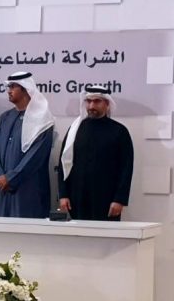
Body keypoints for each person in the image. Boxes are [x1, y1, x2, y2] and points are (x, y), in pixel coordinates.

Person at [57, 85, 134, 221]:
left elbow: (126, 169)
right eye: (89, 101)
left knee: (106, 234)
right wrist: (63, 195)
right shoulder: (75, 129)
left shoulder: (119, 131)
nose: (91, 106)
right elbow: (63, 163)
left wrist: (119, 199)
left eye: (97, 101)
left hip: (107, 199)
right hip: (77, 198)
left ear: (107, 104)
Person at [0, 72, 54, 218]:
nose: (9, 91)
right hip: (2, 187)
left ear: (26, 89)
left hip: (27, 188)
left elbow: (36, 157)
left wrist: (10, 178)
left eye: (13, 87)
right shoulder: (5, 117)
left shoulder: (42, 120)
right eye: (9, 87)